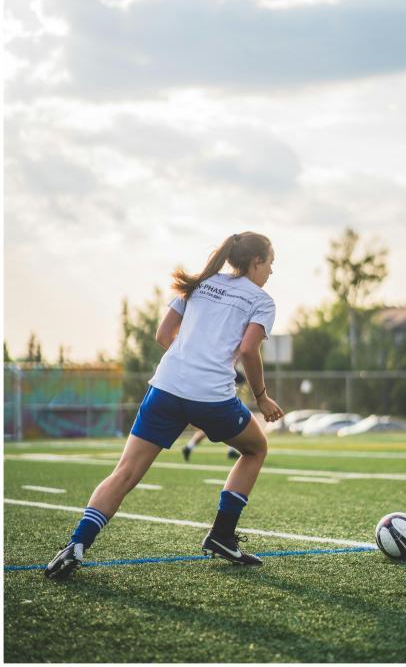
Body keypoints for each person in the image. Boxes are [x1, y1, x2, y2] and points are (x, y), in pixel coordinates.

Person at [45, 231, 284, 579]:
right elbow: (248, 350)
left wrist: (190, 358)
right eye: (271, 263)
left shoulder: (199, 282)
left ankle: (76, 545)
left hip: (166, 389)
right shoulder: (262, 299)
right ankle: (220, 535)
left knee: (124, 473)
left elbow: (162, 336)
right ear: (256, 261)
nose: (272, 272)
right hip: (211, 397)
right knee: (256, 448)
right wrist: (261, 397)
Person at [182, 367, 246, 461]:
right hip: (215, 403)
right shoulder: (223, 365)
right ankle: (189, 447)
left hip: (208, 402)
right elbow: (242, 378)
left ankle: (189, 447)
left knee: (218, 427)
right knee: (223, 426)